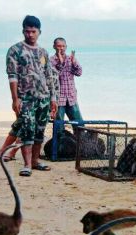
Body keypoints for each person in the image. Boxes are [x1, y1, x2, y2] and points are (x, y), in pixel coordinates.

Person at [5, 15, 58, 176]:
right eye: (27, 31)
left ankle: (35, 161)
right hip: (25, 99)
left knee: (39, 132)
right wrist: (15, 99)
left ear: (39, 32)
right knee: (27, 131)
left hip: (43, 98)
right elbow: (12, 76)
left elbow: (49, 76)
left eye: (33, 31)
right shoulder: (15, 50)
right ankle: (27, 164)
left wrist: (53, 99)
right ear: (23, 31)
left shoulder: (43, 52)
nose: (30, 35)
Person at [50, 37, 83, 129]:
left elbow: (79, 73)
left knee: (79, 125)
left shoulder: (70, 58)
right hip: (58, 100)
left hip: (71, 98)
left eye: (63, 46)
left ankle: (79, 142)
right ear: (54, 47)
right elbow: (54, 77)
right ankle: (60, 143)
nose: (61, 48)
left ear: (66, 47)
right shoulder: (51, 61)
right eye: (59, 46)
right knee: (59, 127)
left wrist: (74, 62)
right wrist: (60, 63)